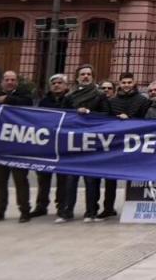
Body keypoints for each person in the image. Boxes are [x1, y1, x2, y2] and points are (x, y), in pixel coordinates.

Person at [98, 72, 151, 220]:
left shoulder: (142, 100)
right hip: (116, 145)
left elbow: (147, 121)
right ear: (120, 84)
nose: (126, 85)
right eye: (124, 82)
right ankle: (108, 207)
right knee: (110, 178)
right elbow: (106, 121)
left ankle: (135, 206)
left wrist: (130, 120)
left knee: (135, 177)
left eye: (129, 82)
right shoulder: (112, 101)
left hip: (136, 144)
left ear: (134, 83)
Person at [61, 65, 110, 224]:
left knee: (91, 180)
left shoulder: (100, 95)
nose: (86, 76)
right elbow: (63, 117)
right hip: (73, 142)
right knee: (70, 179)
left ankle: (91, 212)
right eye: (83, 74)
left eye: (89, 74)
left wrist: (89, 113)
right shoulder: (69, 97)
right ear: (77, 77)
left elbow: (106, 115)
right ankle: (67, 211)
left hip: (92, 143)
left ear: (93, 77)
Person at [0, 71, 33, 223]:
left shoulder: (24, 95)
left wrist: (6, 99)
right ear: (2, 82)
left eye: (13, 79)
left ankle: (25, 210)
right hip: (0, 147)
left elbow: (28, 104)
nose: (10, 82)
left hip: (18, 147)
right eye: (7, 79)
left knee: (21, 180)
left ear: (17, 82)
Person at [32, 74, 70, 219]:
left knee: (63, 180)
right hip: (46, 147)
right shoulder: (43, 102)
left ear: (66, 86)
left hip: (63, 147)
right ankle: (41, 206)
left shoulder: (70, 101)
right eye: (54, 83)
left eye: (60, 83)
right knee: (43, 179)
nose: (56, 85)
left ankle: (61, 207)